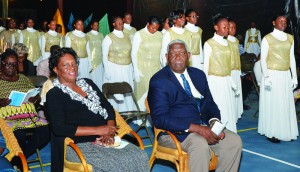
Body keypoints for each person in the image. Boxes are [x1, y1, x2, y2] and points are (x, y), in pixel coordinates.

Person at [45, 47, 149, 172]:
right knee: (118, 163)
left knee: (139, 155)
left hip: (106, 138)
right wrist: (98, 130)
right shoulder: (54, 94)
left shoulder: (88, 83)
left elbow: (109, 109)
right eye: (65, 65)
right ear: (56, 69)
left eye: (73, 64)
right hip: (79, 144)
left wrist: (109, 132)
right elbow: (59, 128)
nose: (72, 68)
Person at [148, 39, 242, 172]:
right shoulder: (159, 81)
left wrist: (214, 122)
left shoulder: (198, 75)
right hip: (174, 133)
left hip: (203, 126)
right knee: (200, 144)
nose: (178, 57)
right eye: (173, 54)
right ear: (166, 57)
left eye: (181, 53)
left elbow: (209, 104)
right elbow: (160, 119)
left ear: (188, 55)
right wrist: (197, 129)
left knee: (234, 141)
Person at [0, 49, 49, 169]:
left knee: (46, 131)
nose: (11, 67)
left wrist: (35, 98)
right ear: (1, 63)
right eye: (8, 64)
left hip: (30, 116)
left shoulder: (23, 78)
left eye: (14, 64)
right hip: (8, 118)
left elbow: (36, 94)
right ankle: (20, 160)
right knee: (19, 134)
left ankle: (19, 159)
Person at [258, 14, 299, 143]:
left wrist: (294, 77)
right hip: (272, 74)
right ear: (274, 22)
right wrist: (267, 76)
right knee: (273, 103)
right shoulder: (267, 39)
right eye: (280, 21)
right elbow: (263, 60)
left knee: (284, 103)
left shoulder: (290, 38)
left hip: (285, 75)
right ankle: (272, 132)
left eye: (285, 21)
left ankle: (285, 131)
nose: (283, 23)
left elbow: (291, 58)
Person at [203, 14, 238, 132]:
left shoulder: (228, 44)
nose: (227, 29)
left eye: (228, 27)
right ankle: (215, 133)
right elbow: (206, 66)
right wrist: (205, 86)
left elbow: (228, 66)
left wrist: (232, 81)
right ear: (216, 27)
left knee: (227, 108)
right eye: (224, 27)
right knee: (217, 108)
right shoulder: (209, 44)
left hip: (226, 81)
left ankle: (229, 133)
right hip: (214, 81)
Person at [102, 16, 135, 112]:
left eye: (122, 23)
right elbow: (104, 55)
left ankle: (129, 112)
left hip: (127, 67)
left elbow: (131, 52)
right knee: (117, 92)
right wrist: (107, 70)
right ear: (113, 24)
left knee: (127, 91)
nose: (121, 25)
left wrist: (133, 68)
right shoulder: (108, 37)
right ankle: (116, 114)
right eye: (119, 23)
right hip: (114, 68)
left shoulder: (127, 36)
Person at [131, 16, 162, 111]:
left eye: (157, 28)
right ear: (148, 24)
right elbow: (133, 53)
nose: (154, 30)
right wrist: (136, 70)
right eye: (153, 27)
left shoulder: (160, 35)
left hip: (156, 68)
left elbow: (161, 52)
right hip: (142, 69)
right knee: (143, 93)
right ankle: (140, 119)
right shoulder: (139, 34)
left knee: (154, 94)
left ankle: (151, 120)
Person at [227, 18, 243, 121]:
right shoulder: (225, 40)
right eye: (230, 27)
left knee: (237, 93)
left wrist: (240, 73)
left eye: (234, 27)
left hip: (236, 71)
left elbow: (238, 56)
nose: (233, 29)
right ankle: (230, 114)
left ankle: (236, 114)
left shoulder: (236, 40)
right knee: (230, 93)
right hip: (229, 71)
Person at [86, 20, 104, 89]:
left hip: (100, 59)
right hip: (92, 60)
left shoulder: (101, 35)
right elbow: (87, 48)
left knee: (100, 76)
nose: (96, 27)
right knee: (93, 77)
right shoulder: (87, 35)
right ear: (91, 26)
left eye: (97, 25)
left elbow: (102, 47)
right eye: (94, 25)